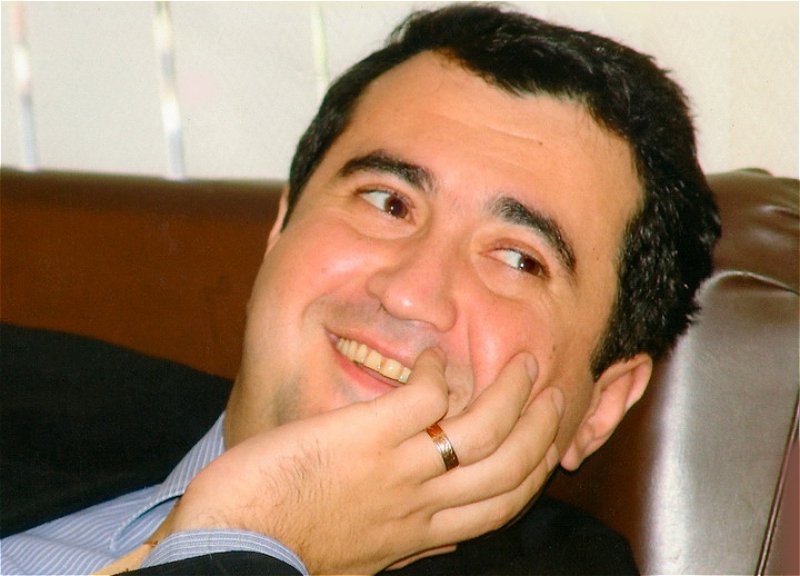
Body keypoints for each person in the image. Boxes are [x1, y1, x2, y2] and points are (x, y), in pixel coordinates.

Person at [1, 4, 720, 574]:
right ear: (282, 228)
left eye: (517, 259)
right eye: (389, 202)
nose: (410, 294)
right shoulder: (31, 384)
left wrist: (256, 535)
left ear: (600, 406)